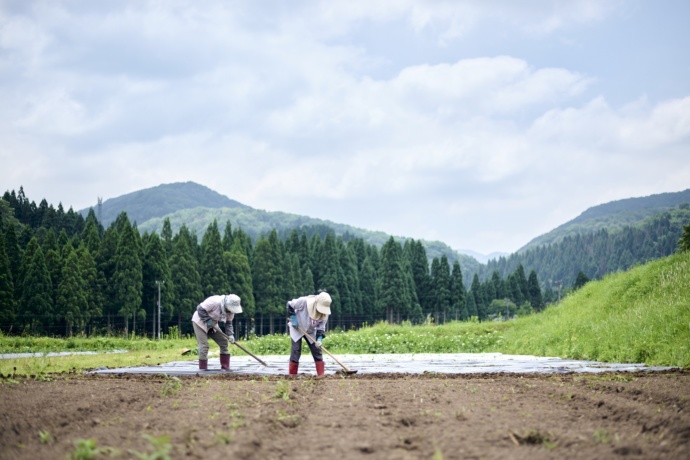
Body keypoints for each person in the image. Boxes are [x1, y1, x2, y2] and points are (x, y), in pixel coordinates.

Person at [191, 294, 242, 370]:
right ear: (226, 305)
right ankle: (202, 369)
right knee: (204, 345)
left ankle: (225, 367)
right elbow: (200, 309)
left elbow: (228, 323)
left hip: (213, 325)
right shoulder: (214, 301)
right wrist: (207, 319)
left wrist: (230, 335)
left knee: (224, 342)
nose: (230, 311)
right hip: (200, 322)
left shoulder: (231, 312)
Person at [286, 291, 331, 376]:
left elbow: (321, 327)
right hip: (297, 327)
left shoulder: (325, 314)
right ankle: (292, 376)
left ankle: (321, 375)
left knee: (317, 350)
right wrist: (293, 317)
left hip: (311, 331)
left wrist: (319, 339)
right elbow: (290, 305)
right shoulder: (303, 301)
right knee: (296, 350)